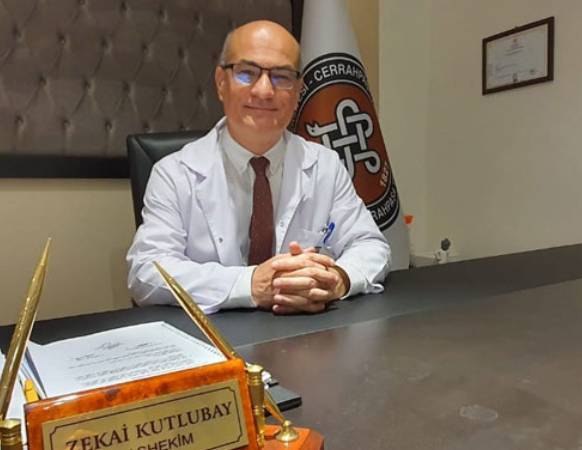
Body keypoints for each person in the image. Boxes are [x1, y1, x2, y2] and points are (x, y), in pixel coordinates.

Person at [126, 20, 391, 315]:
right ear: (221, 82)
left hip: (308, 333)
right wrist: (251, 284)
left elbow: (370, 245)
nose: (264, 91)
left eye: (282, 77)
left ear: (298, 91)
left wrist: (336, 279)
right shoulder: (174, 173)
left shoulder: (325, 166)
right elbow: (146, 272)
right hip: (212, 336)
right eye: (247, 73)